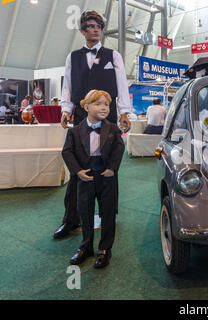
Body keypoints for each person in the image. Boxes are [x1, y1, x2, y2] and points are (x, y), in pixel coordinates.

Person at [54, 10, 132, 239]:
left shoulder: (114, 55)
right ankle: (70, 220)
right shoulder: (73, 57)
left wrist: (125, 113)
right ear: (82, 31)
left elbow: (122, 85)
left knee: (109, 167)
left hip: (108, 116)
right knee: (79, 169)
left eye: (98, 25)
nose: (95, 29)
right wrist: (66, 109)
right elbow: (67, 85)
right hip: (80, 117)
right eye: (90, 26)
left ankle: (109, 217)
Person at [62, 90, 125, 268]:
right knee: (85, 212)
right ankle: (86, 246)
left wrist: (112, 168)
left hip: (107, 177)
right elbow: (67, 152)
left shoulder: (112, 128)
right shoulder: (74, 131)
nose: (104, 108)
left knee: (108, 212)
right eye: (98, 104)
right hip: (86, 177)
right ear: (86, 107)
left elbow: (119, 148)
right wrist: (77, 171)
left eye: (106, 104)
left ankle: (105, 248)